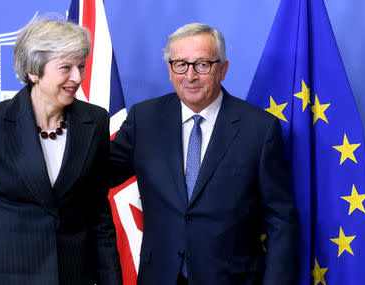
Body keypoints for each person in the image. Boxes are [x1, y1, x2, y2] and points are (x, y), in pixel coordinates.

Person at [110, 23, 299, 285]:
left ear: (223, 69)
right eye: (180, 64)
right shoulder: (144, 119)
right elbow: (97, 176)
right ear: (170, 70)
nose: (190, 76)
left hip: (232, 279)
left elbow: (280, 220)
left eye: (202, 64)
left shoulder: (259, 128)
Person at [0, 18, 122, 285]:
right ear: (34, 72)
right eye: (65, 68)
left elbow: (98, 214)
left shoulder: (94, 121)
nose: (78, 77)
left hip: (69, 274)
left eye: (81, 66)